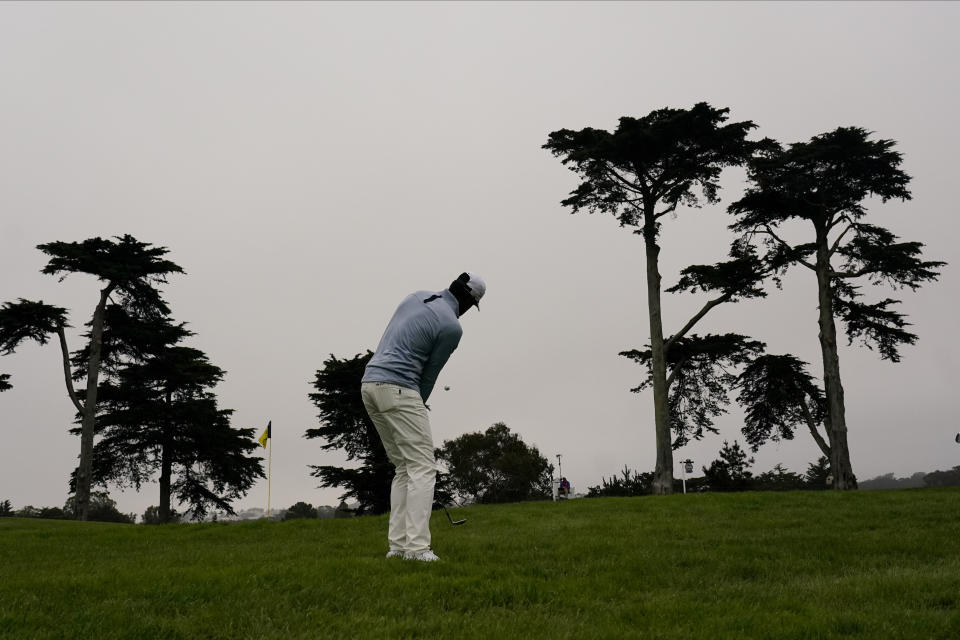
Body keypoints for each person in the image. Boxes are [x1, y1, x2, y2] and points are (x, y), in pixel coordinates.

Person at [361, 272, 486, 562]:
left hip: (369, 384)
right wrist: (418, 404)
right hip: (400, 387)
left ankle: (398, 547)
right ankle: (417, 549)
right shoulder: (452, 327)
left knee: (404, 467)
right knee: (423, 468)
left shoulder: (415, 295)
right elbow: (429, 374)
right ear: (469, 302)